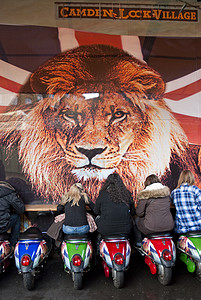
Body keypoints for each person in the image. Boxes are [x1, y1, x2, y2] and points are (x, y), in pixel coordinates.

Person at [90, 173, 135, 237]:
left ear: (107, 183)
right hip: (125, 230)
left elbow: (96, 211)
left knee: (97, 218)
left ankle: (97, 243)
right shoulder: (127, 194)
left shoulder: (103, 194)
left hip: (106, 230)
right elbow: (132, 212)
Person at [134, 174, 174, 244]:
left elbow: (139, 213)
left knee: (136, 219)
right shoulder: (166, 194)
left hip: (151, 228)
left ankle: (139, 242)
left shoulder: (145, 195)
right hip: (168, 226)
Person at [171, 169, 201, 234]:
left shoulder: (174, 192)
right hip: (197, 227)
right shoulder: (195, 190)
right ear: (192, 178)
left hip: (181, 229)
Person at [0, 181, 25, 248]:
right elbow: (21, 209)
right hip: (2, 226)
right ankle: (13, 244)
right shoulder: (9, 193)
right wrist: (18, 198)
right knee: (16, 217)